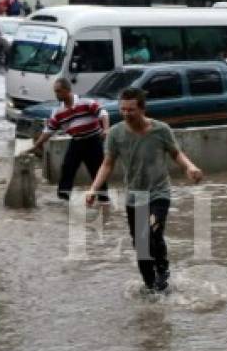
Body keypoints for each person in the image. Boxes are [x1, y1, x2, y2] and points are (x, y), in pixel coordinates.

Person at [86, 87, 203, 293]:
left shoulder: (161, 130)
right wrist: (94, 189)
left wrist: (190, 167)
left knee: (153, 231)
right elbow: (107, 164)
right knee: (141, 245)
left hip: (159, 191)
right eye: (122, 109)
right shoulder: (115, 133)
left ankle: (163, 271)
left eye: (130, 110)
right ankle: (150, 286)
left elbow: (176, 154)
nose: (126, 114)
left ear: (142, 109)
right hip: (135, 195)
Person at [28, 77, 110, 202]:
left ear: (67, 90)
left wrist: (106, 129)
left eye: (59, 91)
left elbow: (103, 113)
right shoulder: (59, 112)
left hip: (93, 140)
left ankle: (103, 199)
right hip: (76, 141)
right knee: (67, 168)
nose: (57, 94)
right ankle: (63, 198)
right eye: (55, 91)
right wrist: (37, 145)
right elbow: (49, 130)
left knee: (97, 170)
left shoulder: (85, 102)